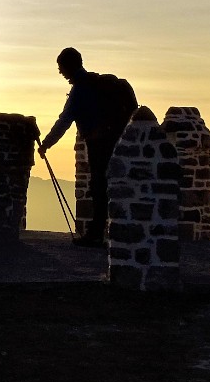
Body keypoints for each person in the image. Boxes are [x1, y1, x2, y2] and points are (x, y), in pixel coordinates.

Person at [37, 47, 137, 247]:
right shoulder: (92, 84)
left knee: (99, 186)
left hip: (98, 142)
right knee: (107, 185)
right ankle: (110, 231)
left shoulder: (80, 90)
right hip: (113, 138)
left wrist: (46, 144)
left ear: (69, 66)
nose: (60, 72)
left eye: (61, 67)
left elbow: (64, 121)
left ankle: (95, 234)